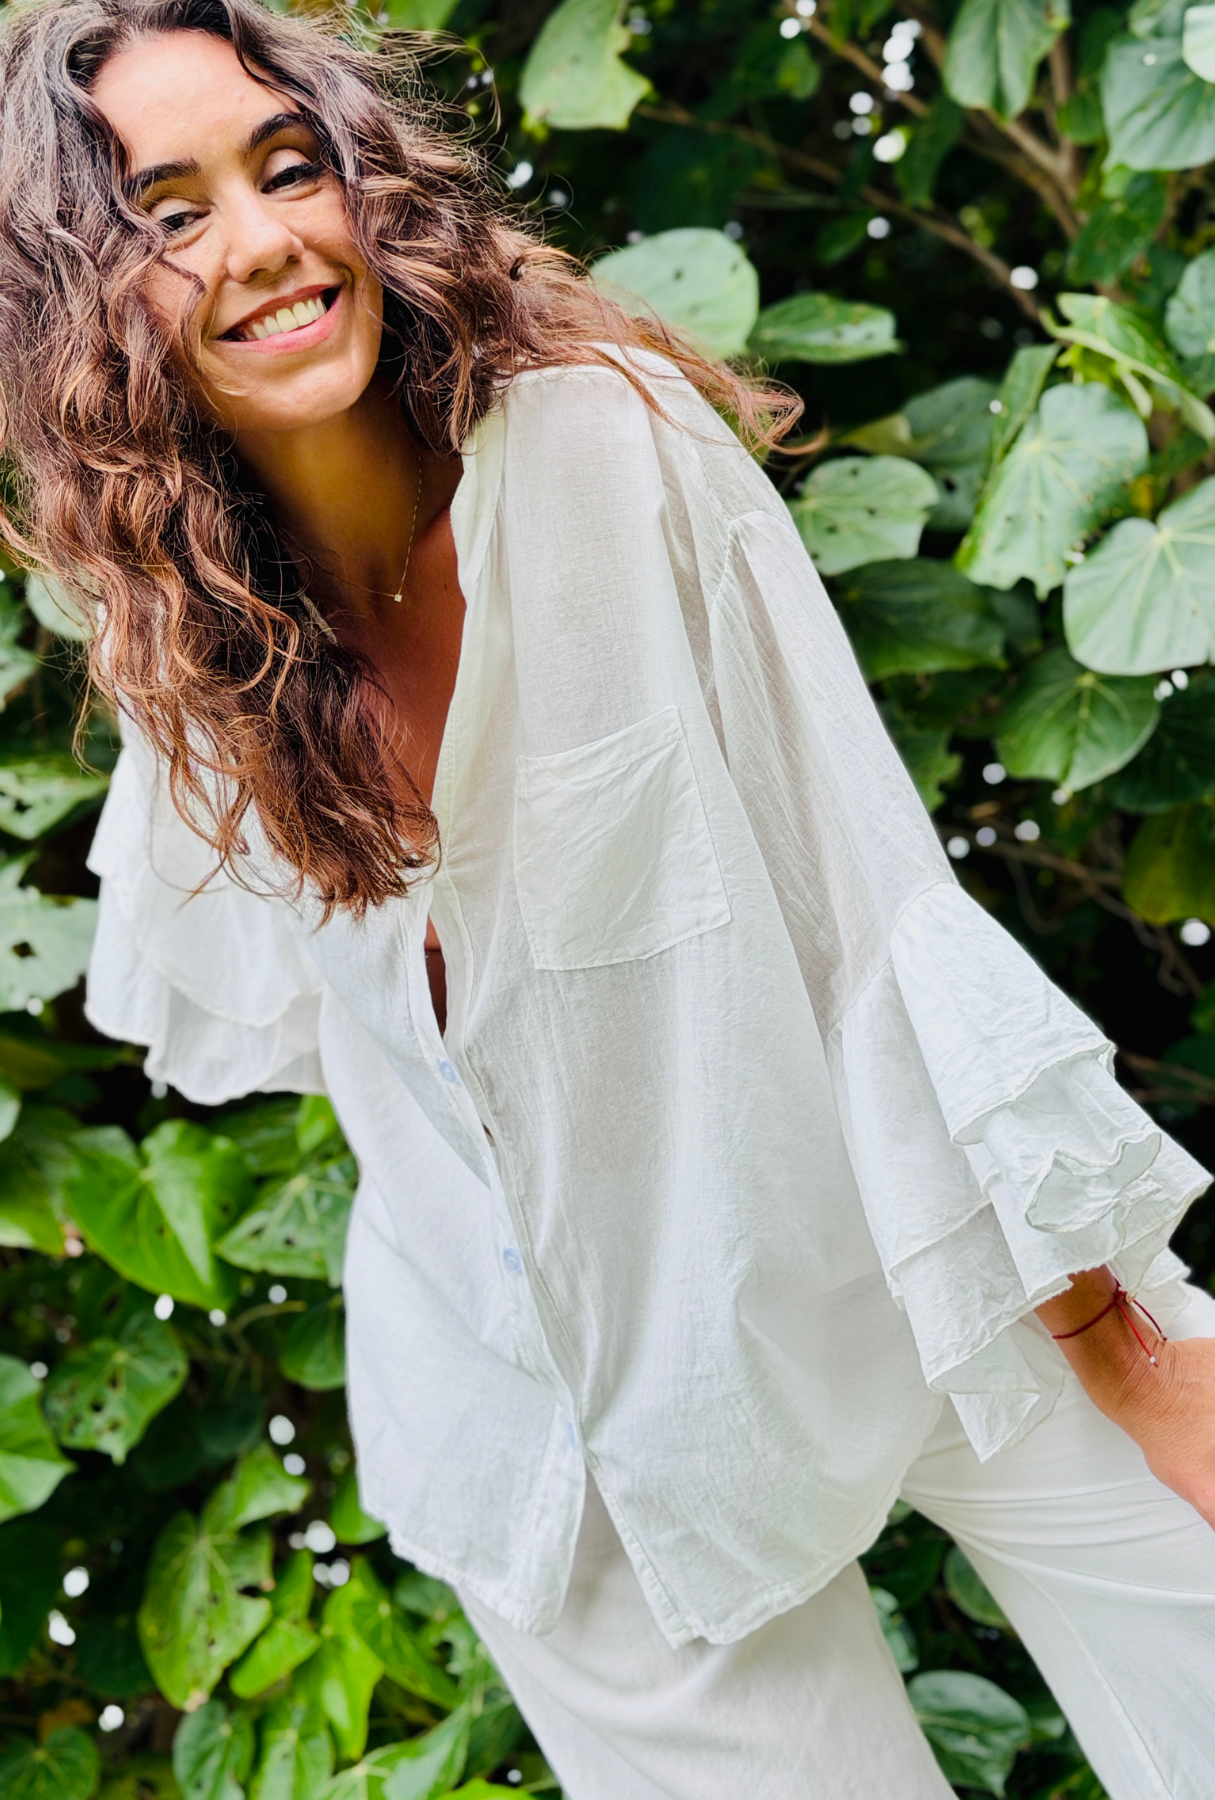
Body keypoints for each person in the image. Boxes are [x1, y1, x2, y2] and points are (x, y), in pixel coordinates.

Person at [0, 0, 1212, 1792]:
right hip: (548, 1441)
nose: (264, 241)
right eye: (170, 215)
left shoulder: (603, 451)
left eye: (288, 165)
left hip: (899, 1259)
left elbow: (867, 908)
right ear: (71, 305)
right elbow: (382, 1057)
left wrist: (1130, 1352)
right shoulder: (178, 642)